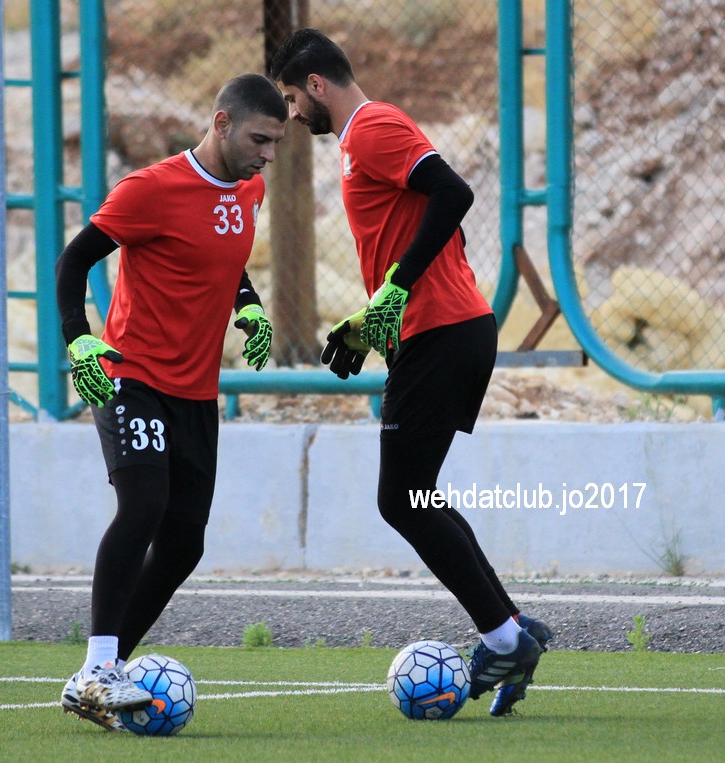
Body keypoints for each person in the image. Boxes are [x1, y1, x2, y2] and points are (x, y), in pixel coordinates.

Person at [267, 28, 552, 717]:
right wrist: (378, 317)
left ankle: (504, 637)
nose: (293, 115)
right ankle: (513, 626)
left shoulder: (371, 127)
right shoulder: (363, 138)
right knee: (417, 494)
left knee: (401, 499)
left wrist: (397, 289)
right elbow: (429, 222)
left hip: (442, 331)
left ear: (316, 85)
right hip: (440, 329)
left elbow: (454, 195)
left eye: (293, 100)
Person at [54, 73, 287, 731]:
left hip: (196, 391)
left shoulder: (250, 189)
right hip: (133, 375)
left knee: (184, 543)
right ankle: (98, 666)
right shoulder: (150, 190)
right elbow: (73, 262)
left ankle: (102, 673)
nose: (268, 154)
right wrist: (78, 339)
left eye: (276, 142)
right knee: (143, 504)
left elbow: (220, 256)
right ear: (221, 123)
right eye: (259, 139)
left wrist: (247, 306)